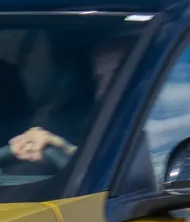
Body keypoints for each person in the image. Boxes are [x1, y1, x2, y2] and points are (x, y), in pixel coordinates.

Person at [7, 34, 130, 164]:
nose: (105, 87)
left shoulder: (148, 116)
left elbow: (112, 166)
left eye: (116, 74)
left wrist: (64, 149)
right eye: (100, 78)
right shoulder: (79, 119)